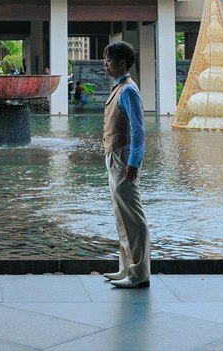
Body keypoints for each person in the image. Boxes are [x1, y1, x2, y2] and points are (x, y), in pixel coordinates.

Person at [100, 41, 150, 289]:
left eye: (109, 61)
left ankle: (139, 273)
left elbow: (138, 130)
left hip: (124, 158)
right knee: (121, 216)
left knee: (133, 217)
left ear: (121, 63)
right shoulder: (118, 88)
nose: (106, 65)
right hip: (114, 156)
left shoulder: (129, 90)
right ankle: (125, 267)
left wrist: (134, 162)